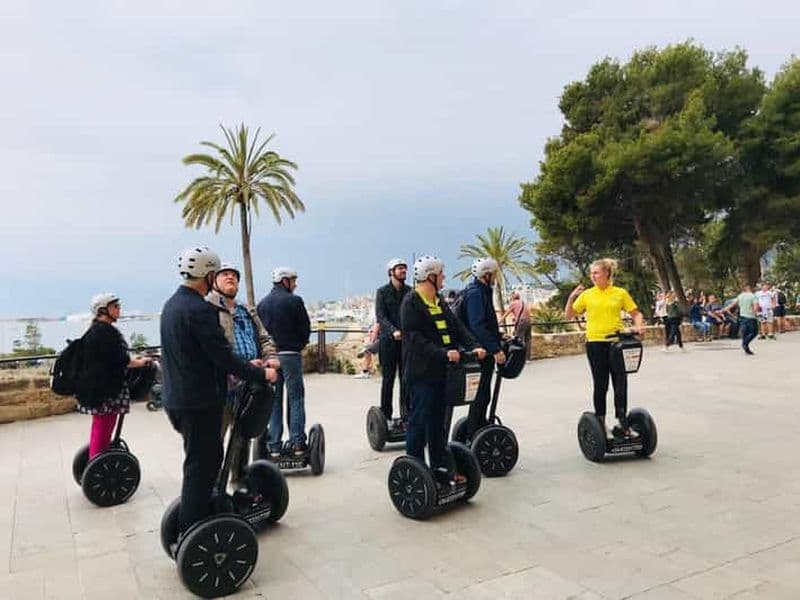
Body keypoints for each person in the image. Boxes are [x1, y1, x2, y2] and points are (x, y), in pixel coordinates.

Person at [160, 246, 278, 535]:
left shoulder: (172, 305)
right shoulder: (200, 309)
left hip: (179, 399)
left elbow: (195, 356)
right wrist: (260, 373)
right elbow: (221, 356)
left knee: (204, 462)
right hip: (199, 402)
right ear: (209, 275)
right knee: (201, 469)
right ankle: (194, 530)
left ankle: (203, 515)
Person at [401, 255, 485, 484]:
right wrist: (443, 353)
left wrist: (474, 345)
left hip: (441, 373)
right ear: (431, 277)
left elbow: (456, 327)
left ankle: (440, 467)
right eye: (441, 274)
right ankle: (415, 471)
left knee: (438, 422)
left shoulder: (438, 300)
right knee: (419, 422)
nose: (444, 277)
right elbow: (414, 339)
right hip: (421, 374)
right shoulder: (411, 302)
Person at [207, 262, 278, 486]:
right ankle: (212, 487)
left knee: (242, 436)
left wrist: (271, 357)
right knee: (215, 439)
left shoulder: (247, 311)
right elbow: (211, 350)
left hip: (249, 384)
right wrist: (244, 364)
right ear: (214, 281)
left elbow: (264, 337)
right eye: (225, 275)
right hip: (223, 385)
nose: (230, 278)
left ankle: (239, 481)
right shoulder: (208, 310)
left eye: (234, 276)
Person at [565, 258, 645, 438]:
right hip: (595, 343)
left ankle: (623, 423)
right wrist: (571, 297)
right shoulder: (587, 295)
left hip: (617, 344)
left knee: (620, 383)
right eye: (591, 273)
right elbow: (569, 315)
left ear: (606, 273)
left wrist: (639, 325)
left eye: (596, 272)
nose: (592, 276)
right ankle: (601, 423)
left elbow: (636, 313)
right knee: (601, 384)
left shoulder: (620, 293)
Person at [77, 293, 152, 458]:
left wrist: (133, 360)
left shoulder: (96, 330)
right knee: (104, 429)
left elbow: (111, 358)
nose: (119, 309)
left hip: (100, 389)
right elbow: (121, 360)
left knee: (100, 428)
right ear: (103, 310)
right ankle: (96, 462)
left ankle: (94, 460)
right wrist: (141, 362)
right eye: (115, 306)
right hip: (107, 391)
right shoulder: (105, 332)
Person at [257, 266, 312, 458]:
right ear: (284, 281)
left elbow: (259, 333)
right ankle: (297, 442)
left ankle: (274, 444)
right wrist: (300, 345)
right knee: (296, 398)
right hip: (290, 355)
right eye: (293, 281)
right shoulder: (294, 301)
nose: (295, 285)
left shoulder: (262, 304)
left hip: (271, 357)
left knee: (274, 400)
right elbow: (305, 328)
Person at [462, 258, 506, 440]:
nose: (495, 278)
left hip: (484, 349)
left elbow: (485, 323)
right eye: (494, 274)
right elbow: (477, 325)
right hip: (480, 353)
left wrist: (499, 336)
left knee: (483, 395)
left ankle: (478, 428)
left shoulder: (481, 291)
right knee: (480, 396)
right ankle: (473, 434)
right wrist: (495, 349)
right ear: (486, 275)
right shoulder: (476, 294)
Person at [375, 258, 412, 422]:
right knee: (388, 380)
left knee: (406, 379)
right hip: (388, 342)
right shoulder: (382, 292)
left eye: (404, 268)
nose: (403, 271)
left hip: (405, 343)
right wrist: (393, 331)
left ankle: (406, 415)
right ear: (391, 272)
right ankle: (386, 415)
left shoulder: (410, 292)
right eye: (400, 268)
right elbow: (381, 316)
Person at [724, 284, 759, 355]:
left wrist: (722, 310)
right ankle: (745, 343)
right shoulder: (753, 296)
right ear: (750, 288)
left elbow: (732, 304)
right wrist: (756, 314)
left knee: (746, 332)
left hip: (742, 316)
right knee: (754, 332)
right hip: (751, 317)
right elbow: (755, 307)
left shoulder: (740, 296)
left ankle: (746, 348)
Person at [502, 290, 532, 355]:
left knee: (519, 340)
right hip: (528, 322)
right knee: (528, 340)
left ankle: (519, 356)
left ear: (512, 297)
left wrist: (499, 321)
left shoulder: (513, 303)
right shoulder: (523, 303)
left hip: (521, 322)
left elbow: (506, 313)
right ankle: (527, 357)